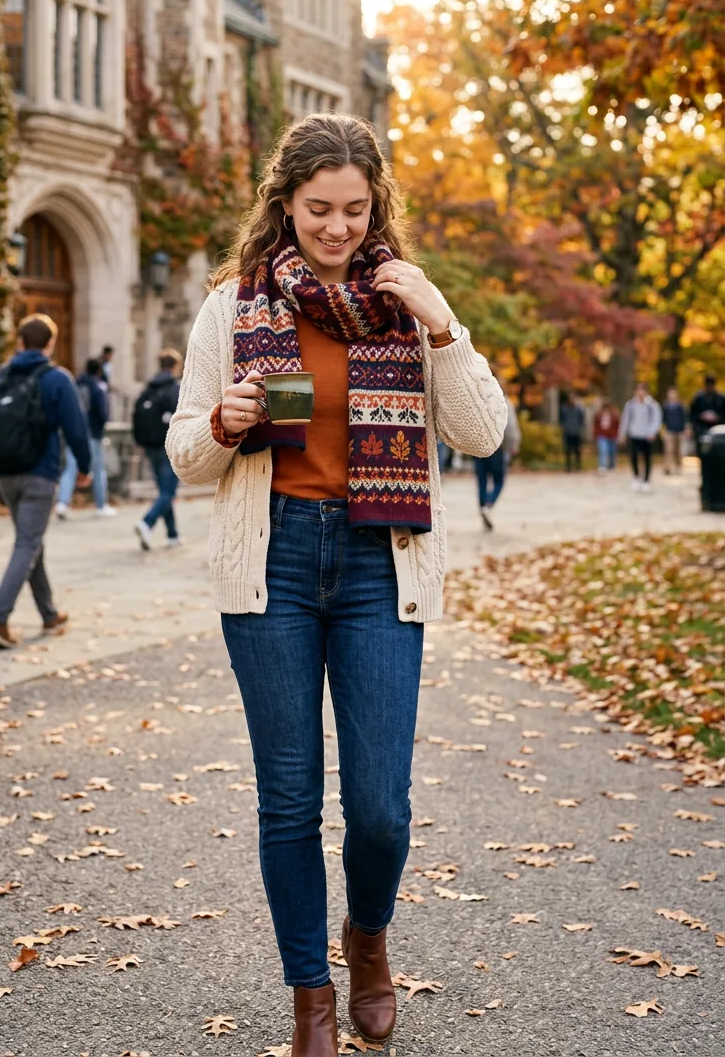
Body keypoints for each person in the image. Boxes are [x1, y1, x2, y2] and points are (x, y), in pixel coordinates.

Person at [166, 114, 507, 1055]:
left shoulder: (406, 302)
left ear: (375, 205)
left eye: (355, 209)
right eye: (319, 209)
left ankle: (368, 940)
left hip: (376, 561)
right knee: (287, 797)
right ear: (286, 203)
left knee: (381, 809)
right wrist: (226, 423)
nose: (337, 228)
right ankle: (310, 997)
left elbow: (482, 435)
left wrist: (444, 325)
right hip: (271, 560)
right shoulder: (233, 307)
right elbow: (186, 453)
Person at [0, 314, 91, 649]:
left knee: (31, 539)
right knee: (27, 543)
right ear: (50, 343)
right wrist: (85, 466)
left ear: (19, 341)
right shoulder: (56, 379)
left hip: (5, 475)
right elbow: (76, 427)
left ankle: (48, 612)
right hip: (40, 473)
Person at [133, 348, 182, 550]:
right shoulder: (174, 389)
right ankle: (147, 523)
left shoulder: (148, 389)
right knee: (168, 492)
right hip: (168, 446)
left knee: (164, 490)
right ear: (175, 367)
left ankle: (172, 534)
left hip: (151, 445)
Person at [56, 358, 116, 519]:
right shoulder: (99, 387)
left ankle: (62, 503)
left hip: (74, 433)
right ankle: (101, 505)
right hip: (93, 434)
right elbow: (103, 414)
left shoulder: (75, 384)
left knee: (70, 468)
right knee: (98, 469)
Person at [474, 382, 520, 530]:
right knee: (499, 481)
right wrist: (513, 445)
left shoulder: (479, 401)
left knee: (482, 480)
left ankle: (482, 507)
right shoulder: (505, 403)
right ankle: (488, 505)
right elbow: (511, 427)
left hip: (478, 445)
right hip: (497, 447)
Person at [619, 382, 662, 491]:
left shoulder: (652, 405)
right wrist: (622, 434)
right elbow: (625, 419)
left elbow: (656, 420)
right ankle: (636, 477)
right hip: (634, 434)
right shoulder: (631, 405)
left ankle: (646, 480)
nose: (640, 393)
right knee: (633, 457)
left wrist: (652, 432)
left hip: (647, 435)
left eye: (642, 390)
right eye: (638, 390)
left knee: (647, 458)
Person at [689, 375, 725, 451]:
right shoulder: (698, 398)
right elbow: (692, 414)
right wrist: (701, 416)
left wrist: (717, 417)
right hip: (701, 429)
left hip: (718, 429)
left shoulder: (721, 398)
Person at [661, 387, 687, 475]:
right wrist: (663, 430)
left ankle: (678, 467)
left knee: (678, 450)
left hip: (679, 431)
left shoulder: (680, 406)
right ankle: (667, 467)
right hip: (669, 430)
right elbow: (663, 419)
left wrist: (685, 430)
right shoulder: (666, 406)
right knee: (669, 450)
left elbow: (684, 419)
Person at [559, 391, 585, 472]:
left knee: (577, 451)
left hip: (576, 432)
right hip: (567, 432)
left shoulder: (579, 409)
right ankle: (568, 467)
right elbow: (561, 419)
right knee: (568, 450)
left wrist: (580, 428)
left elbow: (582, 420)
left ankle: (578, 466)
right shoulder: (564, 409)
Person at [593, 397, 620, 473]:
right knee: (603, 451)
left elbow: (617, 425)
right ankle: (602, 466)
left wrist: (617, 435)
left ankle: (612, 465)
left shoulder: (614, 414)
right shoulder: (599, 414)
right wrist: (596, 434)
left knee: (612, 451)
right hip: (602, 435)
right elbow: (596, 425)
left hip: (612, 436)